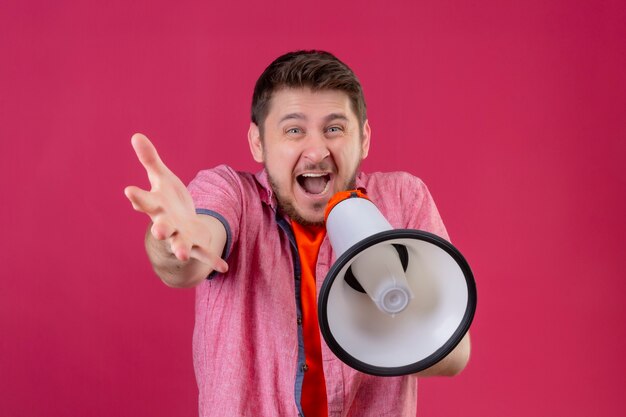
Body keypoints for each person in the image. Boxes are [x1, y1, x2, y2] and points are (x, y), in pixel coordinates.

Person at [124, 50, 471, 417]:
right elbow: (183, 263)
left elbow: (454, 354)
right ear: (258, 142)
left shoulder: (403, 198)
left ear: (364, 138)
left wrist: (376, 314)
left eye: (334, 129)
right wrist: (178, 238)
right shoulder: (230, 194)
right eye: (294, 130)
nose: (317, 151)